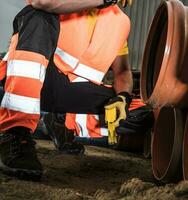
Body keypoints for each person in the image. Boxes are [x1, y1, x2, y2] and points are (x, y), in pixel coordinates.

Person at [0, 0, 134, 181]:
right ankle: (15, 133)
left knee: (139, 111)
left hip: (71, 90)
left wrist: (123, 97)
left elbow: (123, 70)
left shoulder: (121, 22)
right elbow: (42, 2)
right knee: (37, 16)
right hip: (35, 78)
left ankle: (60, 123)